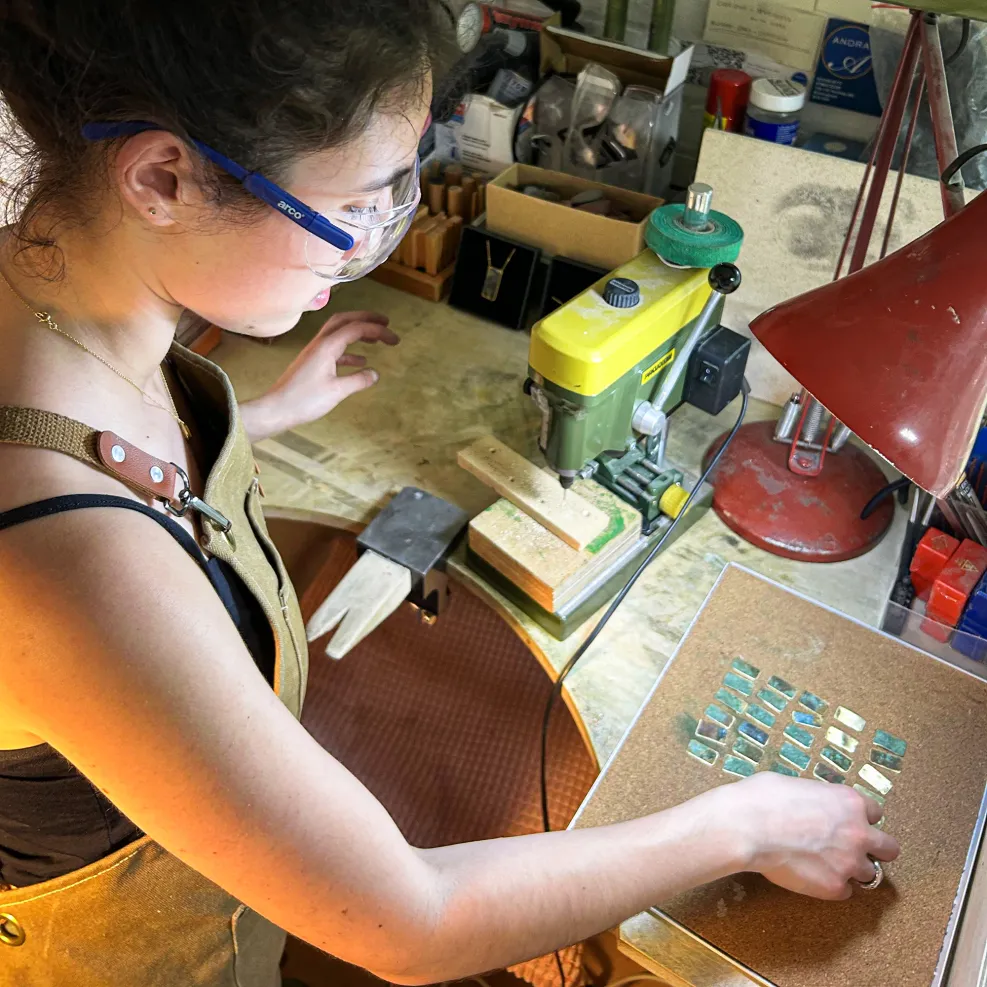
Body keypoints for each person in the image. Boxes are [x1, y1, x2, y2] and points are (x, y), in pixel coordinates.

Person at [0, 4, 899, 985]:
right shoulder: (71, 563)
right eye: (357, 208)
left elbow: (113, 457)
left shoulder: (48, 287)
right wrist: (744, 824)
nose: (374, 245)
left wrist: (247, 425)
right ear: (164, 179)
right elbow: (408, 922)